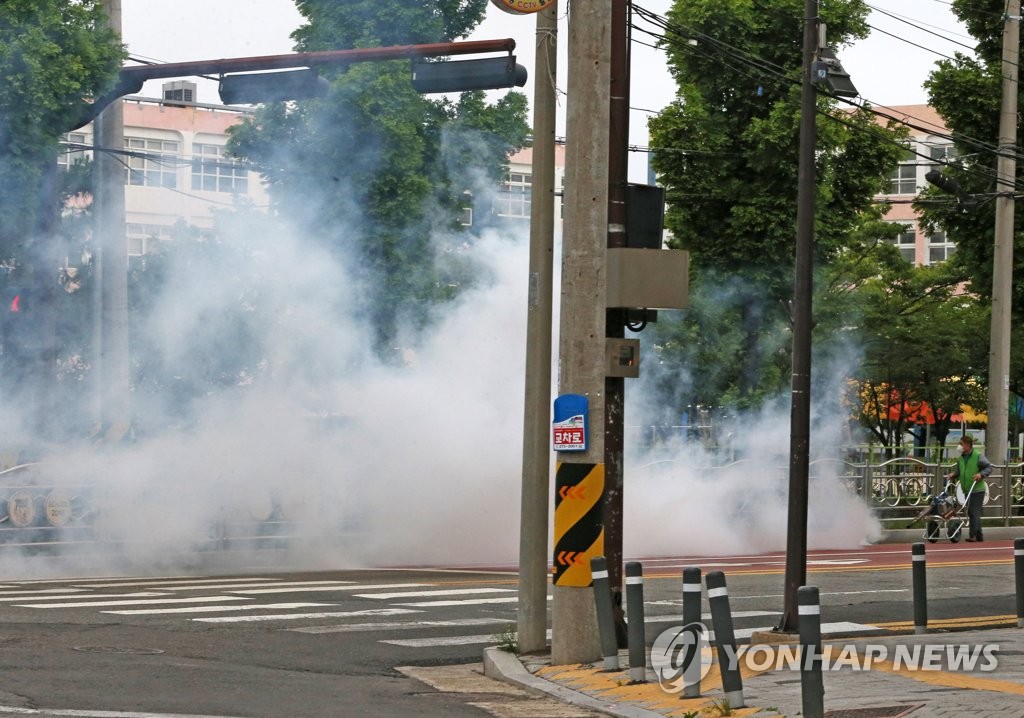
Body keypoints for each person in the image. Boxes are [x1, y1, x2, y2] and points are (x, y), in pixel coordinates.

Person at [946, 435, 992, 542]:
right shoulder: (961, 458)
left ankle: (973, 535)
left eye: (961, 444)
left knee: (973, 512)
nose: (959, 446)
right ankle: (979, 536)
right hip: (967, 489)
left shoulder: (977, 456)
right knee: (973, 512)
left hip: (977, 489)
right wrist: (953, 474)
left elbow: (989, 467)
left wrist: (980, 475)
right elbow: (959, 471)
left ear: (968, 445)